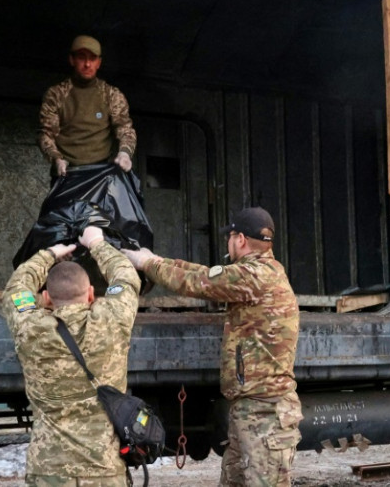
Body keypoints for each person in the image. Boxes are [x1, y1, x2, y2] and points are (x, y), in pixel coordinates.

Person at [122, 207, 303, 486]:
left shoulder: (253, 276)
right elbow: (206, 273)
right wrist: (156, 259)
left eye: (230, 237)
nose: (228, 243)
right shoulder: (257, 272)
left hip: (265, 413)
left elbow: (198, 282)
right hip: (251, 411)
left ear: (240, 239)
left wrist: (147, 264)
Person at [1, 225, 141, 486]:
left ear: (46, 299)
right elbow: (126, 277)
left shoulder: (31, 328)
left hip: (48, 472)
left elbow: (16, 288)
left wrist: (50, 254)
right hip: (104, 471)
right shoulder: (111, 321)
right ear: (91, 295)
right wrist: (96, 243)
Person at [37, 35, 137, 186]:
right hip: (66, 175)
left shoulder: (111, 95)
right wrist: (56, 159)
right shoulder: (56, 94)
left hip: (101, 176)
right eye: (82, 58)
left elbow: (125, 129)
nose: (87, 64)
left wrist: (125, 153)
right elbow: (45, 134)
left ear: (99, 63)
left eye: (93, 58)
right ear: (72, 60)